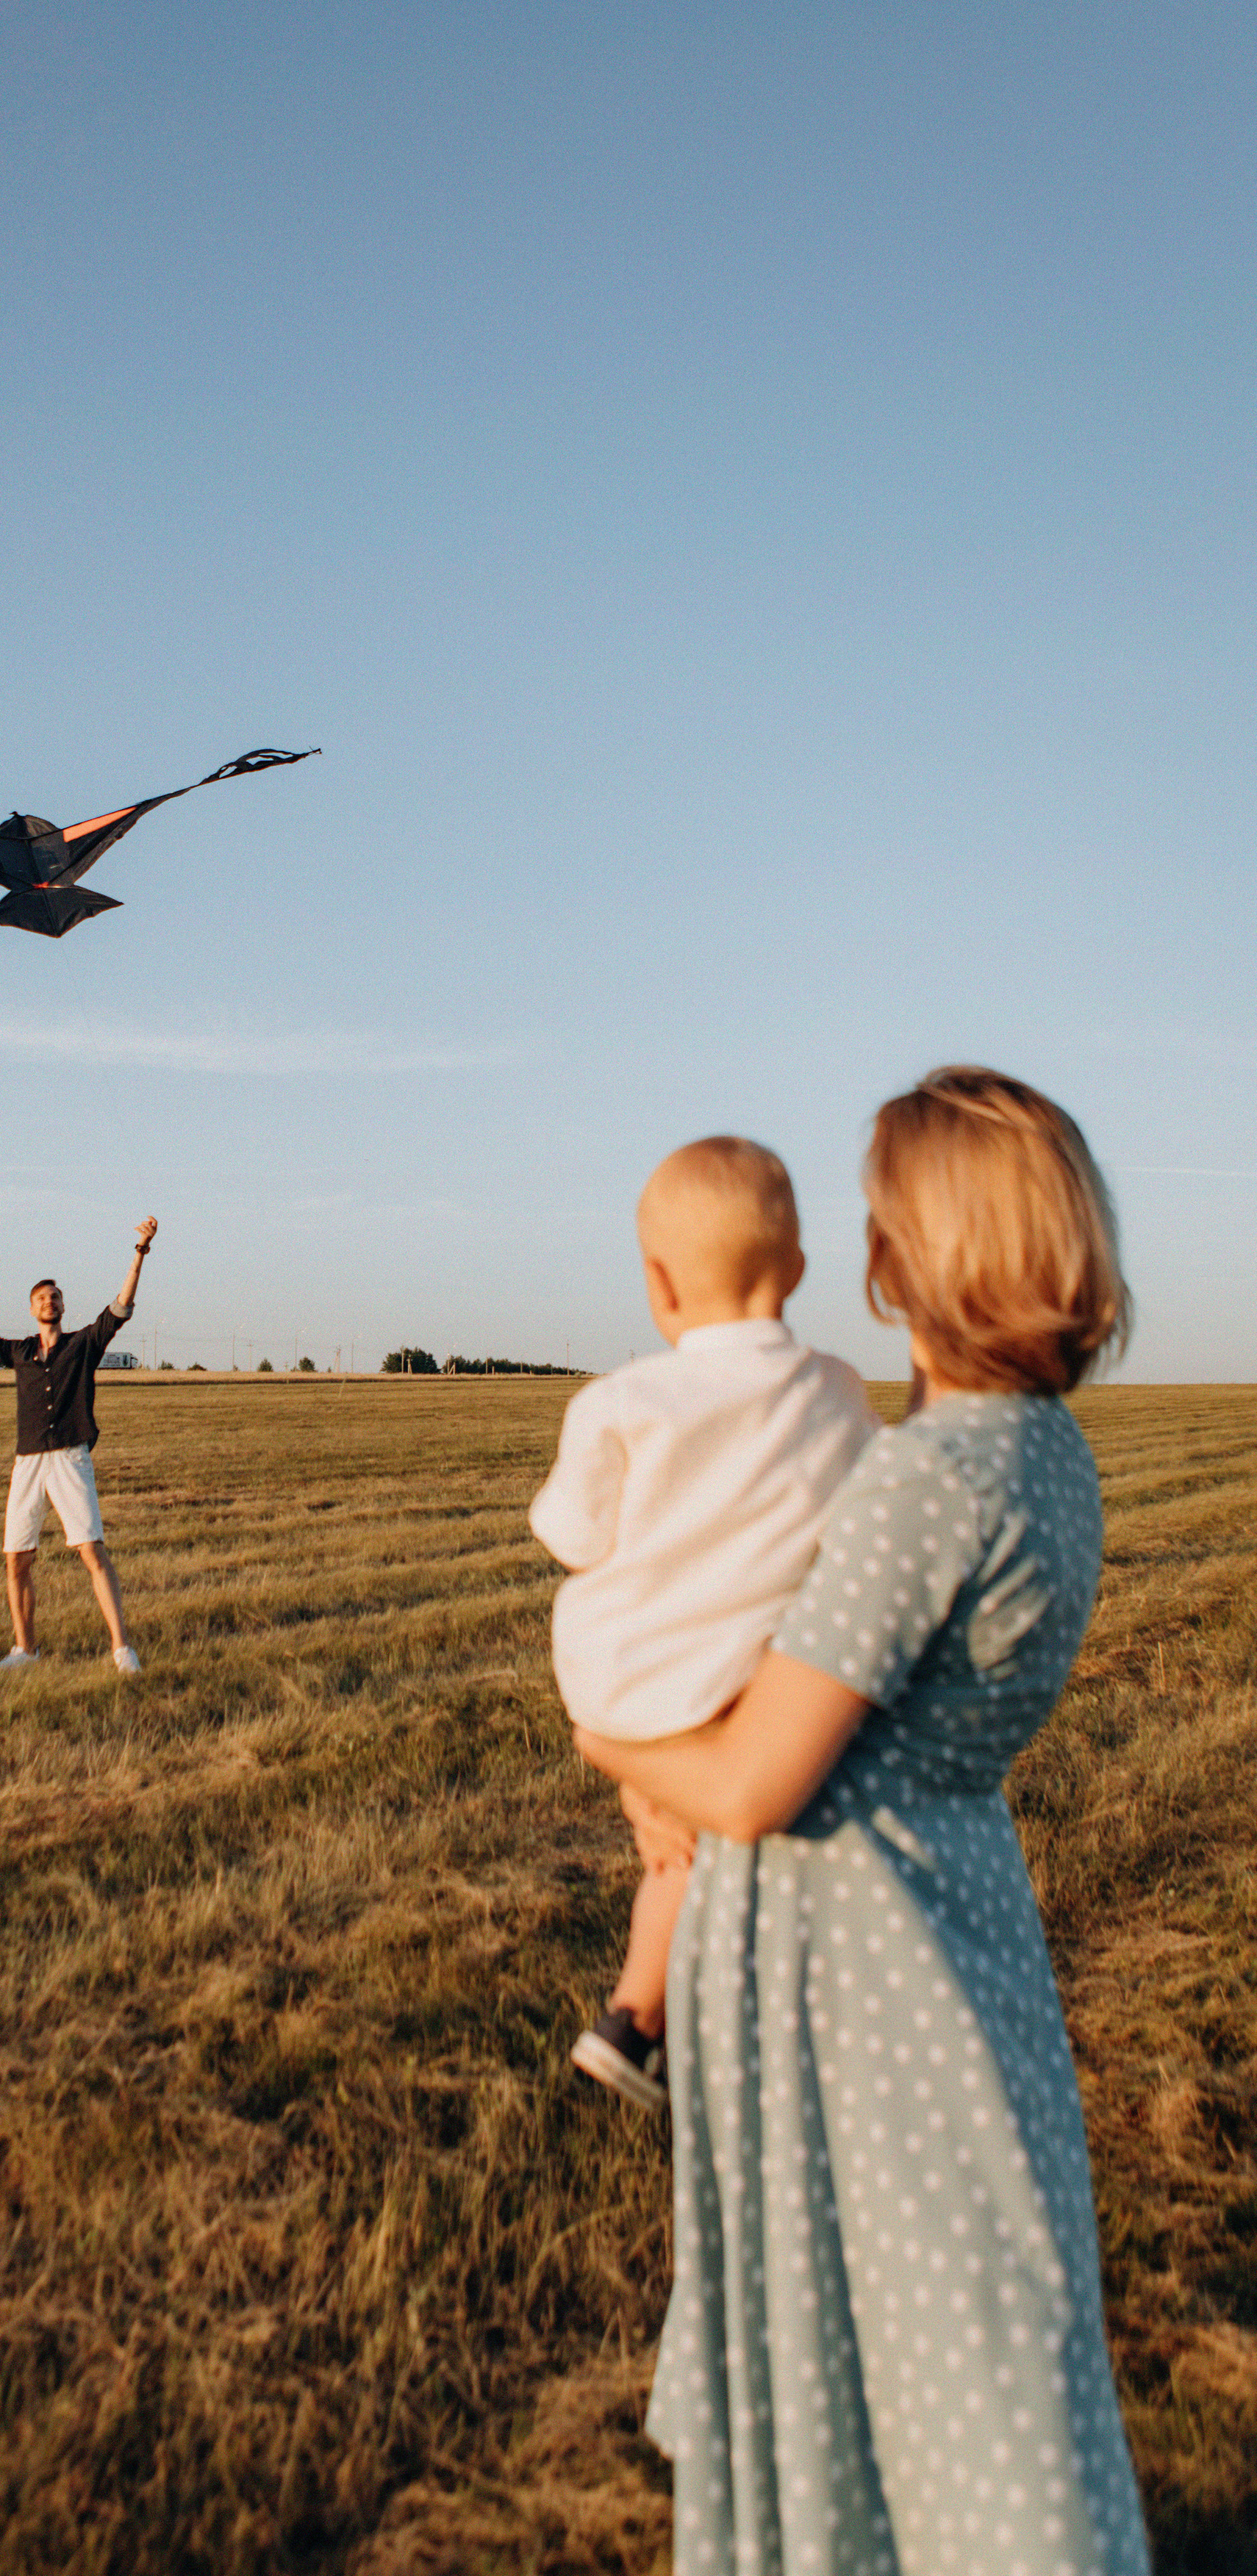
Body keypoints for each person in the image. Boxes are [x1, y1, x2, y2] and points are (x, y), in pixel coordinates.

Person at [574, 1069, 1149, 2575]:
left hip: (855, 1948)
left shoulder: (918, 1485)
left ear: (906, 1258)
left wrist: (609, 1739)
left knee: (895, 2315)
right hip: (962, 1903)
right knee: (971, 2294)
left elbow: (759, 1778)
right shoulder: (1046, 1456)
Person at [531, 1138, 878, 2106]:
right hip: (730, 1674)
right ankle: (646, 2016)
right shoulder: (838, 1394)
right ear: (801, 1270)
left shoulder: (621, 1401)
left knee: (678, 1834)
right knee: (710, 1828)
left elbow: (567, 1535)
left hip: (614, 1671)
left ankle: (638, 2017)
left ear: (659, 1285)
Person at [0, 1217, 158, 1673]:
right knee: (16, 1559)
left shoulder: (83, 1344)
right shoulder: (18, 1352)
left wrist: (140, 1250)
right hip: (27, 1462)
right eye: (42, 1298)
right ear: (32, 1310)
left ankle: (123, 1649)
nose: (50, 1301)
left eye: (56, 1297)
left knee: (91, 1551)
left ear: (63, 1307)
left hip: (69, 1458)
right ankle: (25, 1651)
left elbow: (122, 1306)